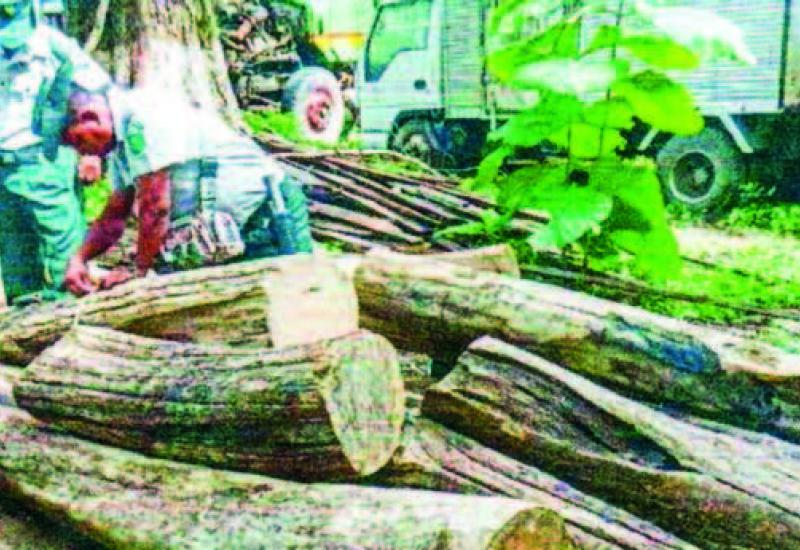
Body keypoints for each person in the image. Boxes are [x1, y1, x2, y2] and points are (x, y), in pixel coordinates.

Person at [61, 87, 314, 296]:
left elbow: (156, 207)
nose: (83, 152)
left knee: (300, 303)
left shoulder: (142, 118)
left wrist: (138, 273)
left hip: (269, 214)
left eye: (79, 141)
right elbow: (115, 215)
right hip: (229, 237)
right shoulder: (120, 145)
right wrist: (79, 259)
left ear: (91, 117)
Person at [0, 0, 109, 304]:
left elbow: (95, 95)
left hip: (44, 163)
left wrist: (92, 153)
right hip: (3, 169)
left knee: (66, 260)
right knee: (16, 261)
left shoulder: (55, 48)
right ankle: (27, 324)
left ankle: (75, 318)